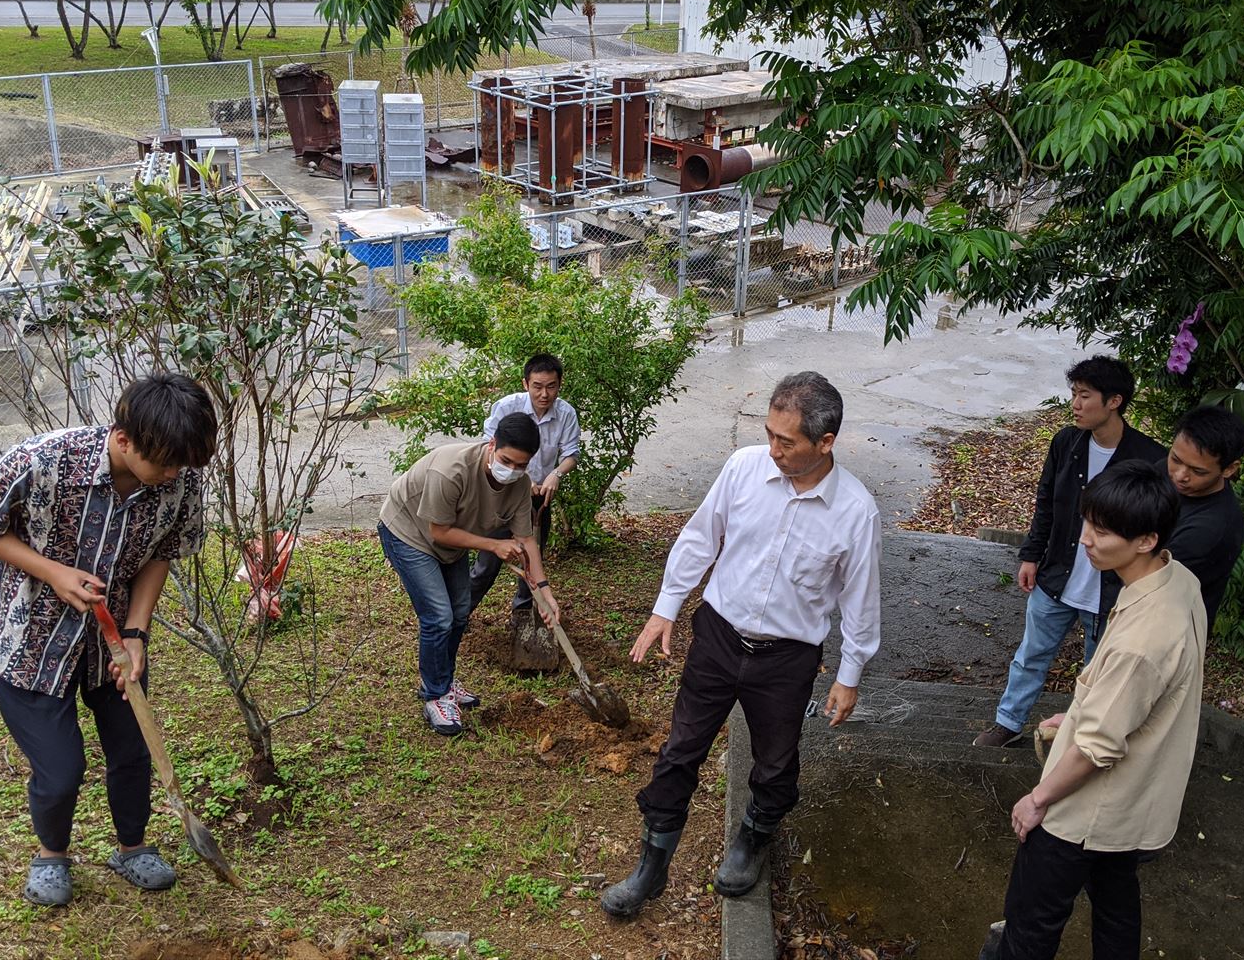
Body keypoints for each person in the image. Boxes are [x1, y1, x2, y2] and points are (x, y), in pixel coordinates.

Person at [601, 371, 882, 919]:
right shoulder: (744, 468)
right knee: (680, 749)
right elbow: (700, 537)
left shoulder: (855, 511)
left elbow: (860, 599)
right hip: (718, 637)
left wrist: (850, 674)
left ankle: (752, 840)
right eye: (770, 433)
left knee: (775, 764)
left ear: (826, 443)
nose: (772, 449)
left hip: (787, 659)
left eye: (787, 441)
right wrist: (666, 608)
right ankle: (650, 867)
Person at [0, 374, 218, 908]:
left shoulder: (178, 481)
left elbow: (161, 554)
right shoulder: (44, 459)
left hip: (112, 644)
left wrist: (137, 632)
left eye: (182, 466)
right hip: (32, 642)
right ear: (124, 439)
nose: (174, 475)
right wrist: (52, 572)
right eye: (165, 463)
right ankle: (51, 854)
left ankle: (132, 847)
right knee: (61, 770)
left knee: (132, 749)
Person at [990, 459, 1205, 959]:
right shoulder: (1179, 582)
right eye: (1088, 521)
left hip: (1088, 814)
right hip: (1135, 808)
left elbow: (1097, 746)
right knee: (1115, 903)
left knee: (1030, 922)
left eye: (1102, 531)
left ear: (1146, 539)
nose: (1086, 538)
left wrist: (1038, 799)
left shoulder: (1142, 639)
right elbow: (1141, 697)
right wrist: (1085, 708)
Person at [974, 357, 1166, 749]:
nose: (1075, 404)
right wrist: (1031, 555)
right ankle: (1008, 723)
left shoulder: (1149, 459)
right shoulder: (1066, 443)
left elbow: (1155, 530)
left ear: (1114, 401)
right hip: (1058, 575)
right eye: (1073, 395)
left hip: (1110, 591)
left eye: (1084, 396)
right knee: (1030, 655)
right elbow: (1046, 502)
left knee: (1098, 671)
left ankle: (1080, 738)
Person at [378, 412, 561, 736]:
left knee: (460, 612)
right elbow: (439, 532)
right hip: (408, 533)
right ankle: (435, 694)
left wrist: (545, 591)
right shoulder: (451, 470)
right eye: (507, 461)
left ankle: (443, 680)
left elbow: (527, 539)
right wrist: (492, 545)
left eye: (522, 465)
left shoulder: (518, 484)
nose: (513, 471)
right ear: (492, 445)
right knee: (438, 617)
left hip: (453, 541)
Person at [1097, 404, 1244, 632]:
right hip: (1124, 608)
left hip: (1160, 632)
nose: (1180, 475)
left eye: (1197, 471)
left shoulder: (1212, 529)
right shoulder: (1163, 473)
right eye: (1175, 459)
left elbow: (1148, 580)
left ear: (1229, 469)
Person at [470, 353, 582, 622]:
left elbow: (571, 454)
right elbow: (488, 448)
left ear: (559, 384)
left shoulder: (565, 413)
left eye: (551, 386)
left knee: (531, 558)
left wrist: (556, 473)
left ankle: (522, 615)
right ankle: (460, 613)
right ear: (525, 383)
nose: (544, 394)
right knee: (487, 563)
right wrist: (523, 479)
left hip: (538, 499)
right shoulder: (506, 407)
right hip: (502, 493)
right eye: (537, 386)